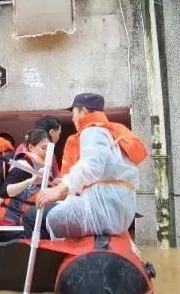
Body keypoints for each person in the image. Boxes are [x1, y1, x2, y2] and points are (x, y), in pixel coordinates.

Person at [22, 93, 146, 240]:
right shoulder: (111, 133)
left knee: (32, 216)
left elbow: (91, 167)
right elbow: (99, 171)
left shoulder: (93, 130)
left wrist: (58, 190)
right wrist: (64, 184)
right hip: (115, 210)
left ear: (83, 111)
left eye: (74, 112)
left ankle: (45, 262)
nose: (73, 118)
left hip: (102, 211)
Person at [0, 129, 51, 226]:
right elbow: (4, 192)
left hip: (30, 222)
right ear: (30, 147)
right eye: (43, 148)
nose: (47, 152)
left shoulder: (45, 167)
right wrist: (31, 181)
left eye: (49, 149)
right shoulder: (23, 165)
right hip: (12, 225)